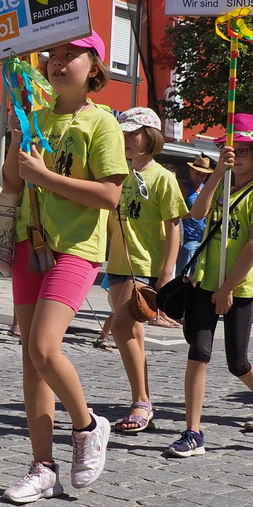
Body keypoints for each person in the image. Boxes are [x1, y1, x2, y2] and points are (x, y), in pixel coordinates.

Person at [0, 32, 126, 502]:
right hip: (29, 244)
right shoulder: (36, 115)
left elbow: (111, 195)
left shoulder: (102, 125)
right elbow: (14, 182)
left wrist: (47, 176)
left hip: (76, 248)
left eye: (70, 55)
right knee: (32, 362)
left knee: (45, 347)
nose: (57, 63)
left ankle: (89, 425)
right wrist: (18, 136)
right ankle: (43, 467)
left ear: (94, 67)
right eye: (53, 55)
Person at [165, 116, 253, 457]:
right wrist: (218, 172)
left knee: (238, 362)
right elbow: (197, 212)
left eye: (248, 152)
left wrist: (228, 288)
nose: (240, 157)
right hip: (205, 282)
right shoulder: (222, 186)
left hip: (239, 287)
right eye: (234, 151)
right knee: (198, 353)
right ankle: (193, 432)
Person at [104, 108, 186, 435]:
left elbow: (175, 225)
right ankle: (143, 399)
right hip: (117, 263)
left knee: (122, 329)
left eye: (132, 133)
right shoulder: (117, 172)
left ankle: (141, 401)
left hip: (144, 265)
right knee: (134, 334)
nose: (125, 138)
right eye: (122, 133)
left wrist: (167, 271)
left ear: (149, 136)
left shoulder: (163, 177)